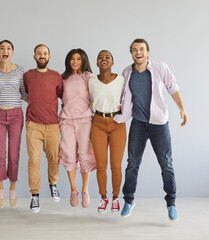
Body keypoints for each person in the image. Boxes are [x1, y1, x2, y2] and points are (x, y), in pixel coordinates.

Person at [114, 38, 188, 221]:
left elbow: (173, 88)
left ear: (148, 52)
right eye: (134, 50)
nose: (138, 52)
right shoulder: (127, 72)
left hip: (159, 124)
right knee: (132, 164)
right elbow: (121, 97)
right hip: (138, 124)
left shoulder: (160, 68)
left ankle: (171, 203)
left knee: (166, 164)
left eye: (141, 49)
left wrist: (182, 108)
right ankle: (129, 200)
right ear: (131, 53)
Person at [0, 40, 28, 208]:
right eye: (2, 48)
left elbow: (25, 94)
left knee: (13, 154)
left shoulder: (20, 71)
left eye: (9, 48)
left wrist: (41, 104)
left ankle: (12, 187)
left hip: (16, 115)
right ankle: (0, 187)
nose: (5, 50)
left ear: (12, 52)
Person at [24, 44, 63, 213]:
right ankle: (35, 195)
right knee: (34, 160)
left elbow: (63, 96)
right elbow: (24, 93)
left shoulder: (56, 76)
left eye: (45, 53)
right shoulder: (28, 75)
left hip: (53, 124)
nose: (42, 55)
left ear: (49, 56)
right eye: (39, 53)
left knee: (54, 158)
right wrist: (32, 103)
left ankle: (53, 183)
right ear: (34, 56)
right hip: (33, 124)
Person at [89, 50, 126, 214]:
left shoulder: (121, 80)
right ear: (97, 63)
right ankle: (103, 198)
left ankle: (116, 198)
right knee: (101, 165)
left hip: (117, 123)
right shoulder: (91, 82)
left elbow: (128, 99)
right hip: (97, 123)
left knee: (116, 165)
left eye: (107, 57)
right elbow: (89, 101)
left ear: (112, 62)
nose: (103, 59)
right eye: (100, 58)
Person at [59, 49, 96, 208]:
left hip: (85, 119)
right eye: (72, 59)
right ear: (68, 60)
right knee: (67, 154)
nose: (75, 61)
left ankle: (85, 190)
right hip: (66, 119)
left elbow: (97, 96)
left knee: (85, 154)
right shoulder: (62, 79)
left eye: (79, 59)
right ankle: (73, 190)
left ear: (83, 61)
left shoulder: (89, 77)